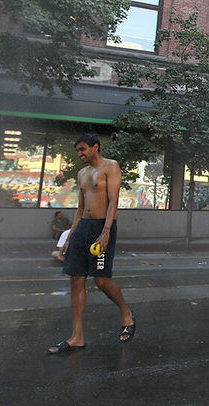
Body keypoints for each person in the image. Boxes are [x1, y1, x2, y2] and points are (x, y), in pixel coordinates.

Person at [47, 134, 135, 354]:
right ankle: (77, 336)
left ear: (95, 147)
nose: (80, 154)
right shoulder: (82, 174)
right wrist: (69, 237)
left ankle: (126, 313)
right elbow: (79, 208)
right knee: (76, 279)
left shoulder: (111, 167)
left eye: (83, 149)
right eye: (78, 150)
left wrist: (106, 231)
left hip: (102, 227)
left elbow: (114, 200)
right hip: (83, 227)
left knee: (102, 281)